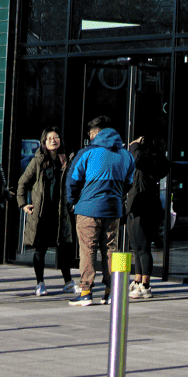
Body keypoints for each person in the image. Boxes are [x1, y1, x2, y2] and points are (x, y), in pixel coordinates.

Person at [65, 116, 136, 306]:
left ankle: (86, 292)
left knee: (88, 250)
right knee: (110, 249)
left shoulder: (87, 153)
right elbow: (129, 183)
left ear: (96, 132)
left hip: (88, 208)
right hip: (113, 210)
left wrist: (72, 201)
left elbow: (72, 180)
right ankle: (111, 291)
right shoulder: (126, 155)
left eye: (90, 133)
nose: (89, 136)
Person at [16, 128, 75, 295]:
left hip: (60, 213)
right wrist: (23, 204)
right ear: (43, 142)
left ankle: (68, 282)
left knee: (63, 249)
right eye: (49, 138)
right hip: (42, 213)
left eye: (56, 137)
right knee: (40, 250)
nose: (53, 140)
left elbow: (76, 182)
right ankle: (40, 283)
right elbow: (22, 183)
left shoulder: (67, 160)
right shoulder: (38, 161)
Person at [124, 132, 170, 301]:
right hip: (134, 205)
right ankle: (137, 279)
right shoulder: (141, 159)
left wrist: (135, 146)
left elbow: (138, 160)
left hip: (145, 206)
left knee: (143, 247)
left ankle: (146, 284)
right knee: (136, 246)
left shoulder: (153, 158)